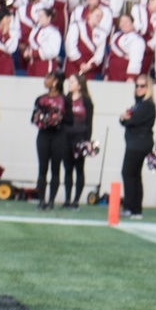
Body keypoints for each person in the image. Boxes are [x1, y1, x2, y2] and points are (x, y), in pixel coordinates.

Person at [119, 74, 155, 218]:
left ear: (148, 88)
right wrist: (124, 118)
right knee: (134, 175)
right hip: (135, 143)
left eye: (142, 86)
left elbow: (131, 121)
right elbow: (124, 119)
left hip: (139, 144)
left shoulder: (147, 105)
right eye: (137, 86)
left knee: (128, 173)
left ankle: (132, 207)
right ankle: (134, 208)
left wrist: (125, 119)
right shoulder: (138, 104)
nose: (139, 88)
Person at [31, 70, 66, 210]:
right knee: (42, 168)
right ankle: (41, 200)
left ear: (56, 81)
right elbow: (33, 117)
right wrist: (42, 119)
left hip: (59, 136)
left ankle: (51, 200)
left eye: (48, 78)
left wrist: (57, 119)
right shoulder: (40, 99)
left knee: (55, 169)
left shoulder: (64, 99)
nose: (45, 80)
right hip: (43, 135)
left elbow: (69, 120)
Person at [62, 72, 94, 209]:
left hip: (80, 137)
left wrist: (87, 141)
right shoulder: (65, 99)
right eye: (69, 82)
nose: (69, 84)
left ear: (79, 85)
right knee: (67, 169)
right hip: (65, 137)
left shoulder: (86, 101)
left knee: (79, 168)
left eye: (72, 82)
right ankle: (67, 199)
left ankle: (76, 200)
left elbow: (89, 122)